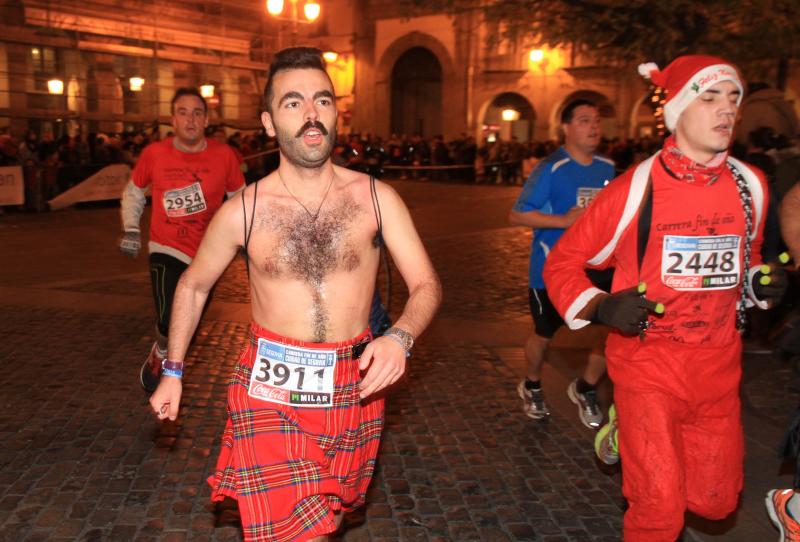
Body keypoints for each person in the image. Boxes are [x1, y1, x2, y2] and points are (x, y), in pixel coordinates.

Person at [149, 47, 441, 542]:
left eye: (322, 101)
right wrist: (173, 370)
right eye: (293, 103)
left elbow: (427, 285)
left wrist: (401, 337)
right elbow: (194, 285)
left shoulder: (376, 198)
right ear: (268, 122)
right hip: (269, 391)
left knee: (330, 516)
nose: (311, 114)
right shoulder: (243, 209)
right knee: (293, 531)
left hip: (356, 383)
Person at [543, 55, 787, 541]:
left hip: (718, 365)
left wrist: (761, 281)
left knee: (715, 504)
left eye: (733, 98)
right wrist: (600, 306)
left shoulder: (751, 185)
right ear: (677, 110)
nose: (726, 110)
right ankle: (631, 425)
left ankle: (619, 430)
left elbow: (751, 252)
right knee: (659, 509)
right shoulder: (635, 187)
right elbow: (562, 263)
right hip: (647, 364)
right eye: (710, 97)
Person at [119, 87, 245, 393]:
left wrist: (246, 239)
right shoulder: (155, 154)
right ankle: (162, 349)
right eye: (183, 112)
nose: (190, 119)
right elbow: (134, 191)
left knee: (191, 321)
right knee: (167, 317)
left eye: (197, 112)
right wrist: (131, 228)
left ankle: (167, 354)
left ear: (206, 121)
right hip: (167, 247)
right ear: (173, 120)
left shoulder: (224, 155)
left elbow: (240, 198)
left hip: (209, 252)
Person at [509, 99, 615, 428]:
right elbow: (516, 214)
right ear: (566, 128)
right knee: (544, 334)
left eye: (596, 120)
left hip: (598, 266)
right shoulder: (550, 168)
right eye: (584, 120)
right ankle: (532, 382)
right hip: (552, 269)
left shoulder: (608, 167)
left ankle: (585, 387)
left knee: (610, 331)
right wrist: (563, 220)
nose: (594, 127)